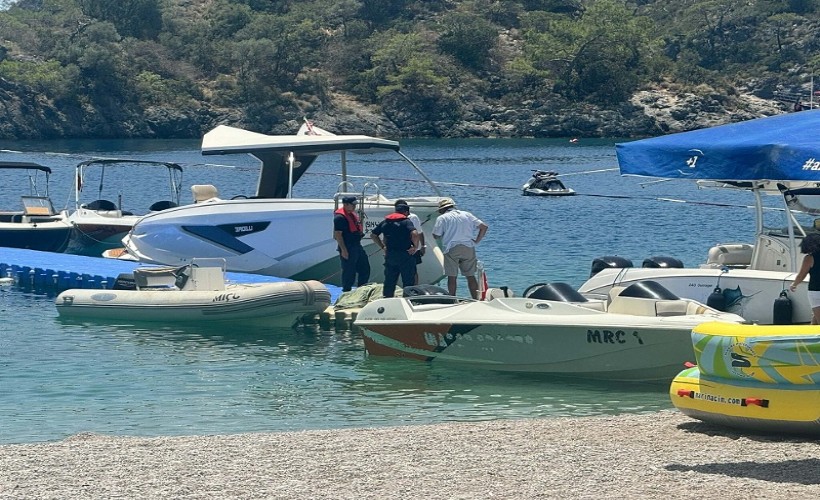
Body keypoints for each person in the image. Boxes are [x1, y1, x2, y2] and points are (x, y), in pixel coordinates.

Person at [432, 197, 488, 299]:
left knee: (452, 277)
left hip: (451, 248)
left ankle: (452, 299)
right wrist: (477, 241)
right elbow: (484, 227)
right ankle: (476, 299)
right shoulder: (467, 214)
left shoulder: (442, 218)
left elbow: (436, 235)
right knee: (470, 276)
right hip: (468, 247)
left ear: (442, 209)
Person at [370, 202, 419, 297]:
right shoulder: (406, 221)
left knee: (389, 280)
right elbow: (415, 233)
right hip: (405, 255)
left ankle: (387, 300)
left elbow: (373, 235)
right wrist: (415, 247)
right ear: (405, 212)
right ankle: (408, 301)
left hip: (390, 255)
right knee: (408, 281)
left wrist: (382, 246)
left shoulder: (386, 222)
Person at [333, 195, 370, 292]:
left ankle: (361, 290)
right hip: (347, 246)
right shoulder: (340, 218)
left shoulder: (352, 215)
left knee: (365, 268)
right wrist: (344, 250)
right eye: (352, 205)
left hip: (357, 246)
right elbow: (338, 235)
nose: (354, 207)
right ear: (345, 205)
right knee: (349, 272)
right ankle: (346, 291)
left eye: (355, 205)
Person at [789, 232, 820, 324]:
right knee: (815, 317)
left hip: (816, 291)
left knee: (817, 317)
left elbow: (802, 275)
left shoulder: (809, 258)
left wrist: (794, 284)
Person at [395, 199, 425, 284]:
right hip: (407, 248)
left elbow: (418, 233)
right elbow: (419, 233)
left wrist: (421, 246)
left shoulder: (413, 217)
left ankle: (415, 288)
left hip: (410, 248)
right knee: (402, 270)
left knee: (412, 270)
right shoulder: (394, 217)